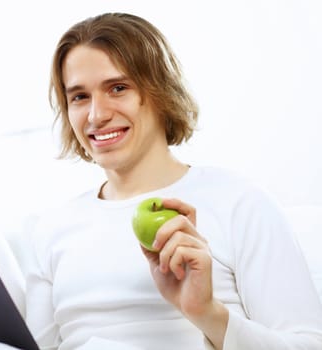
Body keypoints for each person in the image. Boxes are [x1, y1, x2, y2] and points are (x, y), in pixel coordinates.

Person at [24, 12, 322, 350]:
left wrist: (206, 312)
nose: (96, 115)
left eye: (117, 88)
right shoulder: (51, 229)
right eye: (79, 97)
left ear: (160, 92)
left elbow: (308, 344)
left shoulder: (240, 202)